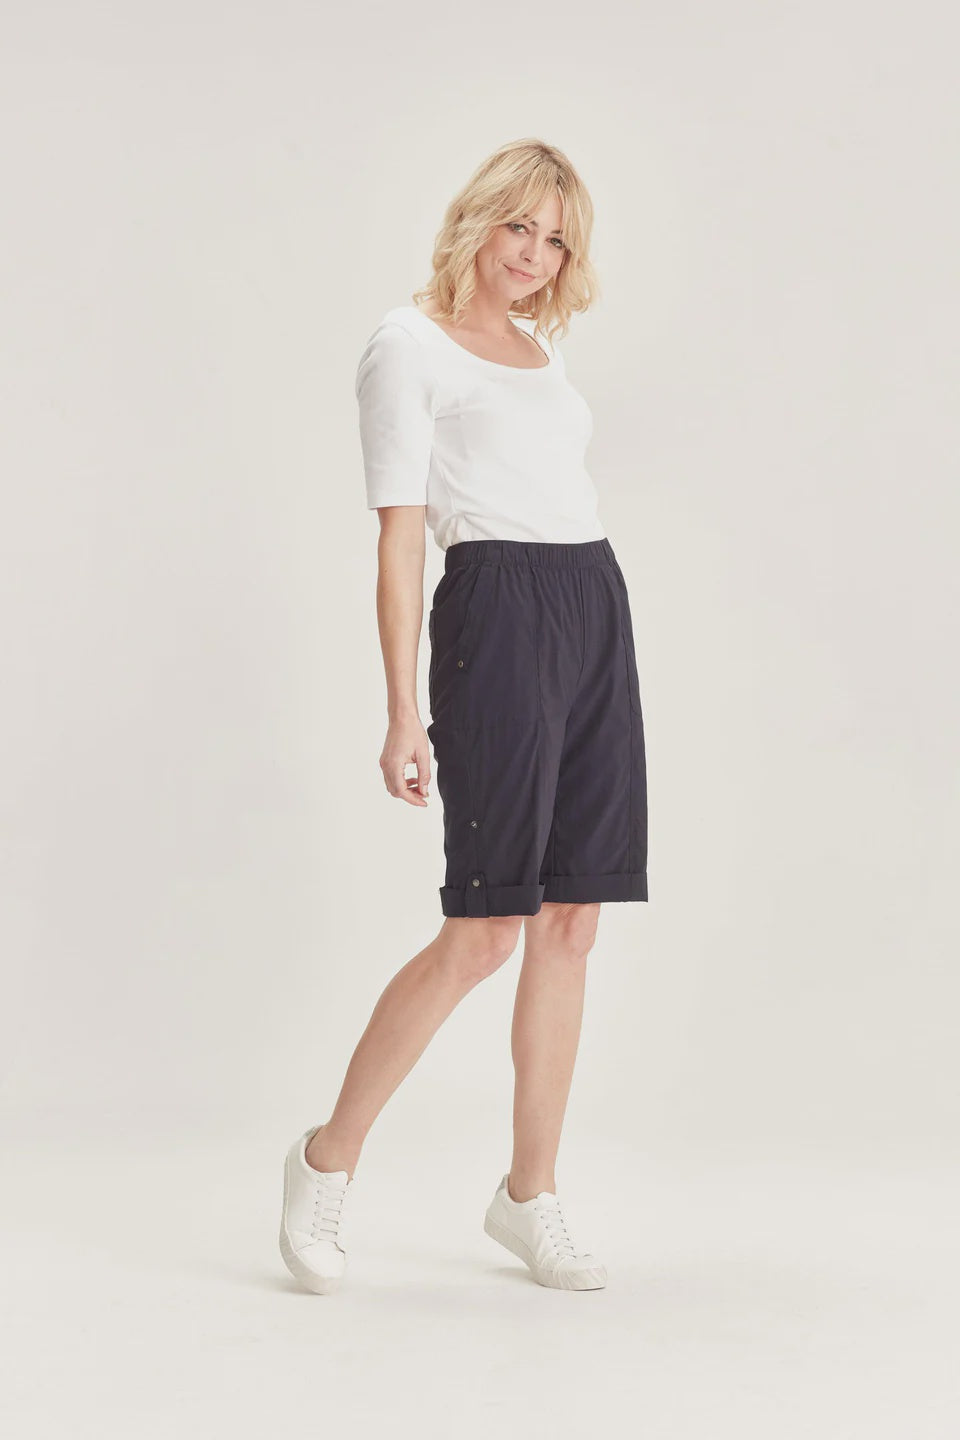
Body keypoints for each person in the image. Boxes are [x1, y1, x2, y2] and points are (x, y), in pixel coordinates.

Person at [279, 138, 648, 1296]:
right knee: (485, 930)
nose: (534, 254)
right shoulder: (406, 344)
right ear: (477, 220)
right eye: (518, 227)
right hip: (496, 610)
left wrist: (589, 617)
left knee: (573, 919)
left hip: (593, 602)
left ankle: (529, 1196)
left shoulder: (542, 350)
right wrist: (403, 709)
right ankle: (326, 1159)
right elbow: (399, 537)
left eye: (557, 240)